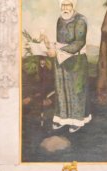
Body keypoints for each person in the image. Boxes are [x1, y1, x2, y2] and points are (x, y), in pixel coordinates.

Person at [46, 0, 91, 133]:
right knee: (61, 89)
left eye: (68, 5)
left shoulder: (81, 20)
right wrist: (51, 46)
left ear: (73, 6)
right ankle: (62, 118)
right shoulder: (60, 20)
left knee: (75, 90)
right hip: (60, 60)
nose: (65, 8)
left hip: (76, 60)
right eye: (63, 5)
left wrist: (59, 51)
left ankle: (77, 121)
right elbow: (60, 41)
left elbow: (79, 42)